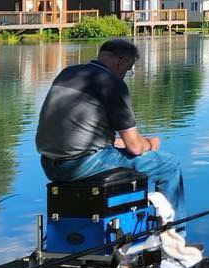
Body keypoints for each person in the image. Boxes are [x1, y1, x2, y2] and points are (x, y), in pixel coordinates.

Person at [35, 38, 185, 213]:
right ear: (122, 61)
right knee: (169, 164)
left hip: (50, 165)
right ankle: (173, 234)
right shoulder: (111, 82)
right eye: (129, 70)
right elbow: (136, 148)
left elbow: (81, 132)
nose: (125, 75)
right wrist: (150, 144)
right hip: (83, 164)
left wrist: (117, 143)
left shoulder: (68, 73)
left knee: (124, 151)